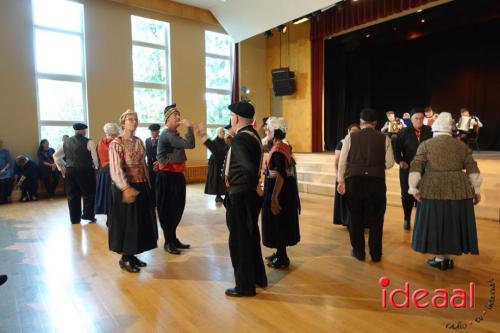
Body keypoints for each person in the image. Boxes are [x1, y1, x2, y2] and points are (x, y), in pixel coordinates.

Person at [409, 112, 481, 270]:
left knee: (435, 222)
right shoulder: (462, 146)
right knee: (452, 220)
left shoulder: (426, 145)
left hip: (432, 187)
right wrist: (476, 189)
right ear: (451, 129)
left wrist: (413, 187)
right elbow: (472, 168)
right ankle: (446, 258)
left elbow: (416, 166)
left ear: (435, 128)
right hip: (458, 187)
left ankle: (440, 258)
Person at [337, 108, 395, 262]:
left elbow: (342, 162)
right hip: (376, 182)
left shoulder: (350, 137)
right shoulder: (385, 138)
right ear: (376, 123)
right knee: (377, 219)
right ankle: (376, 254)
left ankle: (358, 252)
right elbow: (389, 164)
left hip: (354, 181)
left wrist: (340, 181)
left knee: (355, 218)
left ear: (361, 122)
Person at [224, 101, 267, 297]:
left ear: (236, 118)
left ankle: (244, 286)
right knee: (250, 237)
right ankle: (258, 277)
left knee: (239, 241)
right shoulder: (253, 136)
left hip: (240, 195)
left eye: (231, 115)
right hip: (248, 194)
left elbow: (248, 168)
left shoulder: (241, 140)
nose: (230, 119)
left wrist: (252, 184)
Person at [108, 110, 158, 273]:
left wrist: (148, 184)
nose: (134, 122)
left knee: (139, 222)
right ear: (123, 122)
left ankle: (132, 254)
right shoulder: (117, 143)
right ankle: (125, 257)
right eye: (130, 119)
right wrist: (125, 187)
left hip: (141, 185)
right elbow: (115, 168)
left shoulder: (138, 141)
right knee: (127, 223)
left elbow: (143, 164)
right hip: (126, 187)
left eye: (135, 119)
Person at [261, 117, 300, 269]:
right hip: (283, 188)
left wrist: (274, 197)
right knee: (279, 221)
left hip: (280, 189)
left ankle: (282, 258)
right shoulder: (281, 145)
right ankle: (279, 253)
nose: (265, 131)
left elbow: (281, 173)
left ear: (274, 131)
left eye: (267, 129)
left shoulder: (278, 149)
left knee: (279, 221)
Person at [156, 103, 195, 255]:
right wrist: (190, 128)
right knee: (168, 211)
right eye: (175, 115)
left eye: (179, 114)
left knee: (176, 210)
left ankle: (173, 238)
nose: (178, 117)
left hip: (175, 176)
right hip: (167, 177)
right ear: (167, 120)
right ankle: (168, 242)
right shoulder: (168, 134)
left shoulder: (173, 134)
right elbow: (190, 144)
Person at [393, 108, 433, 230]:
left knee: (424, 195)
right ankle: (407, 218)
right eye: (416, 118)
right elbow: (396, 149)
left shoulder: (429, 131)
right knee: (407, 195)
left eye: (421, 118)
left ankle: (421, 221)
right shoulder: (404, 132)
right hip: (408, 169)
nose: (419, 121)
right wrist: (400, 161)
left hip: (425, 169)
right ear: (411, 119)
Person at [54, 123, 99, 224]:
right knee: (89, 193)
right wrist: (96, 167)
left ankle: (74, 219)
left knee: (72, 195)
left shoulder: (66, 142)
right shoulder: (89, 141)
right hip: (85, 170)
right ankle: (88, 216)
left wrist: (62, 167)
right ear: (83, 131)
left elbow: (56, 156)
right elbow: (95, 158)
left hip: (70, 171)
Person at [333, 124, 360, 227]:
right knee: (347, 201)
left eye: (356, 131)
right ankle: (348, 222)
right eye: (352, 130)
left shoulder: (361, 142)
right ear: (348, 131)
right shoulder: (342, 143)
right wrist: (338, 177)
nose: (354, 132)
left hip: (356, 176)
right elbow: (337, 161)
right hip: (345, 175)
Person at [95, 123, 121, 223]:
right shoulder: (115, 143)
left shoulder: (100, 142)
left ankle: (109, 220)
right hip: (114, 171)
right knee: (115, 197)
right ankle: (114, 220)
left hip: (104, 172)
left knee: (106, 197)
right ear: (114, 133)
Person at [200, 126, 228, 203]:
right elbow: (217, 150)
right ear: (218, 133)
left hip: (222, 162)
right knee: (217, 180)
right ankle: (218, 196)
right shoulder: (215, 141)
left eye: (223, 132)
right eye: (221, 132)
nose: (223, 133)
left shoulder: (225, 141)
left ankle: (223, 194)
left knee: (222, 180)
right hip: (215, 164)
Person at [145, 123, 161, 206]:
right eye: (152, 132)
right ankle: (152, 202)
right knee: (151, 184)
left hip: (160, 165)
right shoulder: (147, 140)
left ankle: (159, 201)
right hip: (150, 166)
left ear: (158, 132)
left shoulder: (162, 140)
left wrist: (159, 163)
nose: (154, 134)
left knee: (159, 184)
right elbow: (145, 153)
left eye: (155, 132)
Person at [0, 139, 14, 203]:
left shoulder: (5, 152)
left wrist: (4, 169)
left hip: (5, 170)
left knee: (7, 179)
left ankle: (4, 198)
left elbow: (10, 163)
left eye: (0, 143)